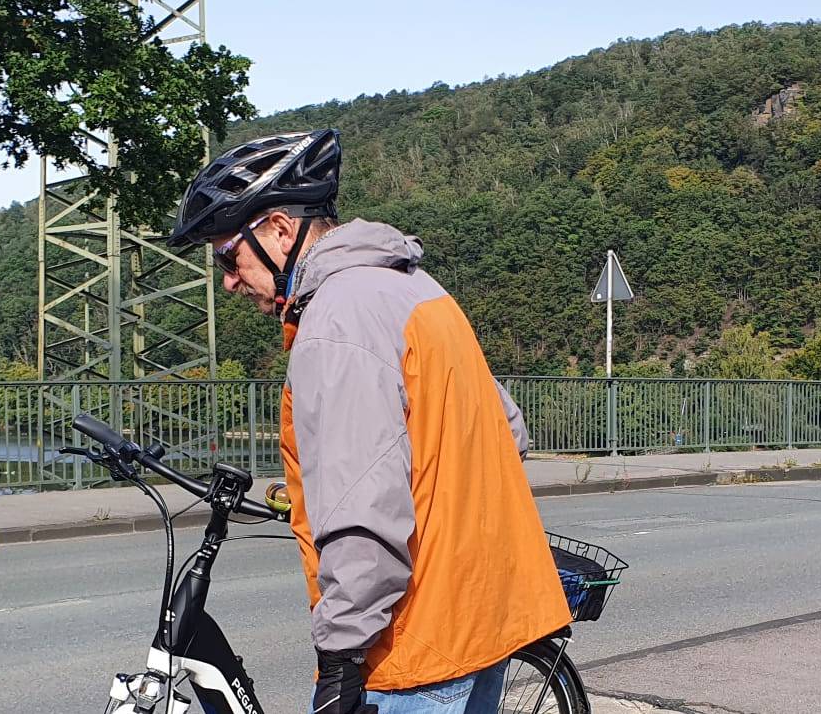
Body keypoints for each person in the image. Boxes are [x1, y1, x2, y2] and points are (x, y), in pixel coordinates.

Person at [168, 129, 572, 714]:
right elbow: (507, 431)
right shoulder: (416, 289)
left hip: (413, 647)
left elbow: (365, 508)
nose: (228, 280)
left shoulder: (338, 321)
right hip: (486, 620)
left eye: (228, 256)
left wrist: (340, 655)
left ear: (279, 229)